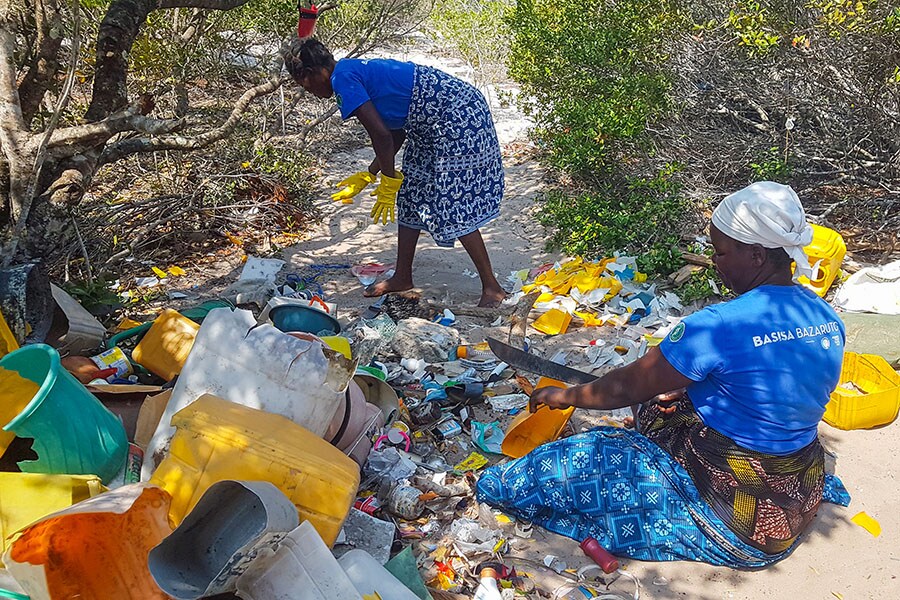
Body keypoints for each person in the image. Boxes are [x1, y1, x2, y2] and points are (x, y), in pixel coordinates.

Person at [477, 181, 851, 568]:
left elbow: (623, 387)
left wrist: (564, 396)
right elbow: (772, 386)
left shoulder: (718, 325)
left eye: (721, 252)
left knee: (562, 464)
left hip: (739, 524)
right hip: (797, 492)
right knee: (661, 403)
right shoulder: (823, 315)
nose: (715, 261)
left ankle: (693, 514)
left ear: (756, 254)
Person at [283, 38, 507, 307]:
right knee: (411, 195)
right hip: (429, 124)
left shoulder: (343, 80)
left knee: (451, 202)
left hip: (457, 117)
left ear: (312, 73)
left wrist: (387, 182)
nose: (309, 92)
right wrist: (370, 174)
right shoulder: (349, 72)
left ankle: (492, 288)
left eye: (304, 86)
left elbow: (382, 136)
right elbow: (395, 133)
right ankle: (402, 276)